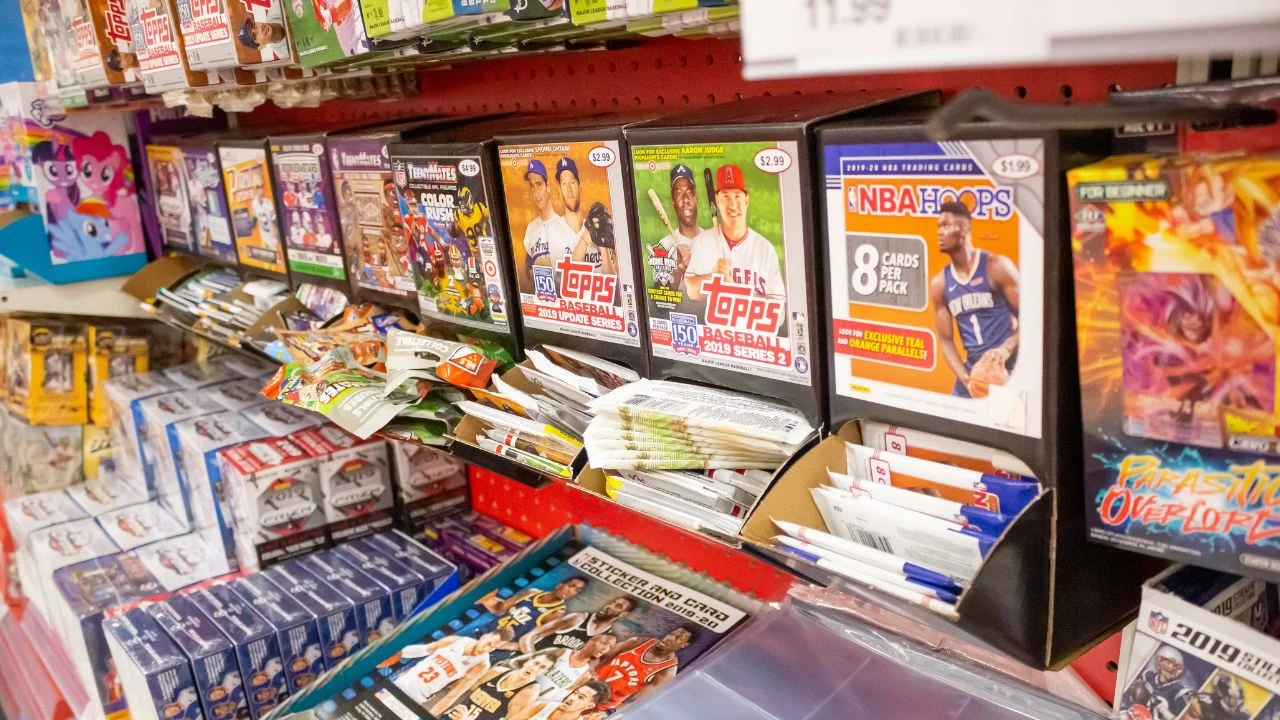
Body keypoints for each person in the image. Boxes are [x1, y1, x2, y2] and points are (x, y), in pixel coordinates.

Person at [927, 201, 1020, 398]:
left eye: (945, 225)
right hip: (973, 370)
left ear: (963, 229)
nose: (939, 233)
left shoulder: (997, 266)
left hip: (1006, 364)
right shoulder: (940, 283)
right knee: (952, 421)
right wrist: (966, 379)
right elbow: (945, 341)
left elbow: (1033, 321)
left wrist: (1005, 349)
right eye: (938, 227)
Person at [683, 164, 784, 304]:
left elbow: (779, 314)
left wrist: (735, 290)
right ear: (717, 200)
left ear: (746, 200)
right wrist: (715, 277)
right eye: (726, 196)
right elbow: (692, 291)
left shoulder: (765, 249)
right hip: (714, 325)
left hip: (752, 325)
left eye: (737, 196)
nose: (732, 205)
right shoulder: (702, 242)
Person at [386, 629, 514, 713]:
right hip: (399, 683)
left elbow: (454, 694)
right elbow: (426, 649)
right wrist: (398, 653)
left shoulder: (481, 664)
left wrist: (431, 715)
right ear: (484, 636)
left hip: (417, 697)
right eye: (488, 643)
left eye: (493, 648)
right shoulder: (456, 641)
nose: (487, 649)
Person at [593, 626, 694, 712]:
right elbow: (596, 656)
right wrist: (591, 673)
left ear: (684, 645)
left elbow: (637, 702)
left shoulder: (667, 671)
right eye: (671, 634)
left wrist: (609, 713)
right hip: (588, 684)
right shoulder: (638, 642)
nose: (670, 638)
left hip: (604, 705)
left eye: (678, 638)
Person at [441, 653, 555, 720]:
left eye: (541, 667)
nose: (535, 668)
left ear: (543, 673)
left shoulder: (528, 692)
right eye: (536, 663)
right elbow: (461, 688)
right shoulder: (497, 672)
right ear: (528, 661)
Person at [521, 159, 578, 285]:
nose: (536, 193)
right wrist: (539, 272)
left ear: (548, 187)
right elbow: (528, 267)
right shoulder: (531, 227)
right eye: (532, 186)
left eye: (539, 184)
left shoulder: (565, 225)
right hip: (544, 300)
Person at [521, 596, 636, 654]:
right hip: (530, 660)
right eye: (611, 603)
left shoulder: (608, 638)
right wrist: (530, 658)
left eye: (618, 606)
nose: (609, 606)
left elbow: (589, 662)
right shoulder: (578, 618)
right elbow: (529, 636)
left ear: (623, 614)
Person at [555, 157, 610, 273]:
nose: (569, 189)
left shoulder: (597, 225)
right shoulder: (553, 229)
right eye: (564, 184)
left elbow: (613, 280)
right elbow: (566, 276)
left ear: (579, 186)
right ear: (560, 190)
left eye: (572, 182)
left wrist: (603, 244)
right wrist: (587, 235)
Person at [1121, 646, 1198, 720]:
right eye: (1171, 663)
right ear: (1160, 660)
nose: (1173, 669)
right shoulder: (1147, 676)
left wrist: (1162, 709)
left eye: (1178, 667)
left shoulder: (1180, 691)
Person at [505, 682, 611, 720]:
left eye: (581, 697)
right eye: (575, 693)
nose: (572, 698)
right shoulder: (541, 706)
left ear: (589, 706)